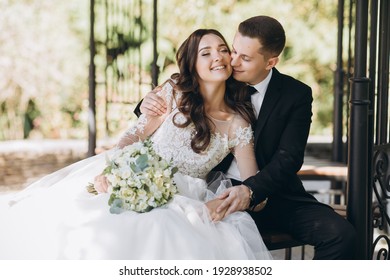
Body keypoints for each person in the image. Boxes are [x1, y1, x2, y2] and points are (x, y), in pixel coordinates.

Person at [0, 29, 272, 260]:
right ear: (192, 65)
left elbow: (257, 193)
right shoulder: (172, 93)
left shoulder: (238, 125)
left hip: (188, 206)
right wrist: (116, 170)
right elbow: (132, 138)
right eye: (206, 53)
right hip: (131, 179)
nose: (218, 57)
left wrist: (235, 201)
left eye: (223, 49)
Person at [138, 16, 357, 259]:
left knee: (341, 235)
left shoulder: (296, 95)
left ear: (270, 62)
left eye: (246, 58)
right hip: (212, 192)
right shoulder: (219, 75)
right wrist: (145, 103)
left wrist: (251, 190)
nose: (232, 60)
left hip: (271, 193)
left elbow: (290, 157)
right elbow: (179, 94)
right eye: (233, 50)